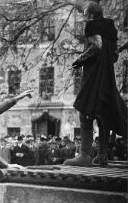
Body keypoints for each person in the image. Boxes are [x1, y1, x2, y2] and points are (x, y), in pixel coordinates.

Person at [64, 2, 127, 166]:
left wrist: (80, 60)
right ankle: (102, 155)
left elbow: (97, 46)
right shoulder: (111, 28)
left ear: (91, 14)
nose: (84, 17)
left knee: (85, 110)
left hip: (93, 75)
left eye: (85, 13)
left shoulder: (92, 25)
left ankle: (84, 155)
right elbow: (114, 55)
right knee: (103, 114)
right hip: (107, 76)